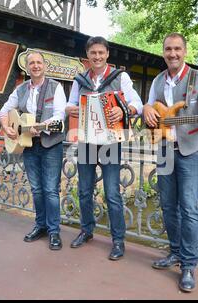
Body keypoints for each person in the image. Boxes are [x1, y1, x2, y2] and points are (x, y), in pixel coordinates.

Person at [143, 33, 198, 292]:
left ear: (185, 51)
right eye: (168, 49)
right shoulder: (157, 80)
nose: (173, 54)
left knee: (188, 208)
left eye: (177, 49)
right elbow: (150, 106)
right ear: (163, 52)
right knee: (168, 206)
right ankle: (175, 253)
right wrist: (146, 109)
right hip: (165, 149)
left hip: (189, 150)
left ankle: (188, 265)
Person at [66, 36, 143, 260]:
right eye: (93, 53)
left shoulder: (121, 77)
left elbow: (138, 104)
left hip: (110, 142)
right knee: (84, 190)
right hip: (88, 141)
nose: (97, 57)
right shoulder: (80, 80)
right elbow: (70, 104)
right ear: (87, 56)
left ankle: (118, 241)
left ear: (107, 54)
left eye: (101, 53)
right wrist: (72, 109)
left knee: (112, 193)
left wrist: (124, 110)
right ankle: (86, 230)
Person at [0, 51, 66, 250]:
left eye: (38, 62)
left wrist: (42, 125)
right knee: (36, 189)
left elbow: (60, 116)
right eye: (31, 63)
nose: (35, 66)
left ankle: (54, 231)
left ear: (45, 66)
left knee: (51, 190)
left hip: (50, 143)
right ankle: (40, 225)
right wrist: (6, 126)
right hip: (28, 144)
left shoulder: (56, 87)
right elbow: (3, 111)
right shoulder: (20, 90)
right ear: (27, 67)